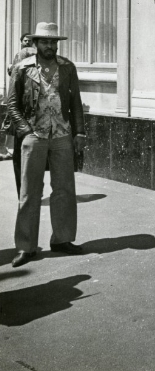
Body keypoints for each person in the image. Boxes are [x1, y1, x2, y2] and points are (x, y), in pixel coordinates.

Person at [7, 22, 86, 268]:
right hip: (34, 135)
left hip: (62, 135)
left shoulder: (67, 67)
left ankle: (62, 239)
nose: (50, 46)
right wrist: (26, 131)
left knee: (64, 190)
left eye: (53, 42)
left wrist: (79, 132)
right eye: (45, 42)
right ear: (36, 43)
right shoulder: (22, 68)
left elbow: (75, 102)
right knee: (30, 193)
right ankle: (25, 246)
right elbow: (12, 104)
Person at [3, 34, 38, 192]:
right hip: (32, 115)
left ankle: (24, 192)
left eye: (30, 40)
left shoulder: (22, 56)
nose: (28, 43)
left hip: (23, 114)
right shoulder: (31, 54)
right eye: (26, 40)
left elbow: (14, 85)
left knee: (21, 155)